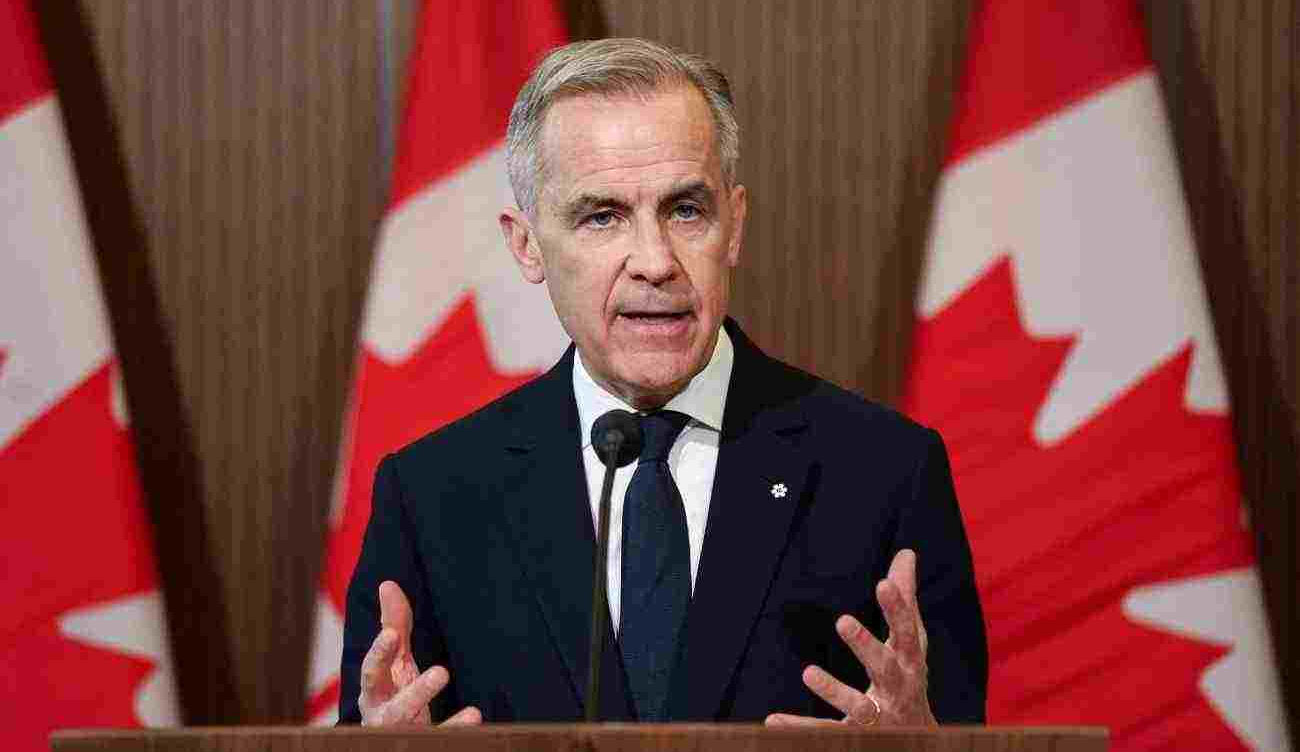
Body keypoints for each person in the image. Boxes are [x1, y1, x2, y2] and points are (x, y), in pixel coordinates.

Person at [338, 38, 987, 727]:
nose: (655, 261)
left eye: (685, 210)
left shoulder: (885, 472)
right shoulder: (434, 497)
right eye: (602, 216)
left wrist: (928, 751)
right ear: (526, 245)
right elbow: (379, 727)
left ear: (733, 225)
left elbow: (955, 730)